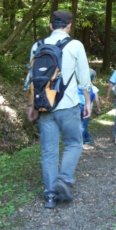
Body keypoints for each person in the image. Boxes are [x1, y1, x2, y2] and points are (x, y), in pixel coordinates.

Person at [26, 11, 92, 209]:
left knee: (48, 151)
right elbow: (84, 78)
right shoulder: (75, 45)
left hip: (44, 106)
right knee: (73, 143)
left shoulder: (37, 46)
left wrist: (32, 105)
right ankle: (63, 180)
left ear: (50, 25)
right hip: (68, 105)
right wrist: (87, 102)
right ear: (69, 26)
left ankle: (49, 196)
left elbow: (31, 80)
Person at [79, 69, 102, 145]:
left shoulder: (77, 86)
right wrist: (98, 108)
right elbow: (97, 100)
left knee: (79, 124)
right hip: (87, 109)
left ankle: (87, 137)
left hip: (77, 108)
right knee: (84, 125)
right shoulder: (93, 88)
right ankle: (79, 141)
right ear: (93, 78)